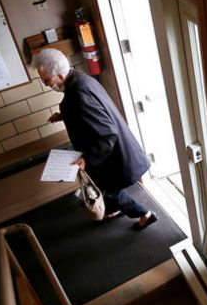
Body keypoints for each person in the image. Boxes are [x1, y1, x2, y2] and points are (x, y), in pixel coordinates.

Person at [33, 49, 158, 230]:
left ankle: (146, 214)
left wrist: (87, 159)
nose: (45, 85)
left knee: (107, 191)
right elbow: (90, 111)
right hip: (114, 150)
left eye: (46, 80)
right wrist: (63, 115)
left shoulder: (77, 94)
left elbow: (107, 133)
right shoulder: (81, 80)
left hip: (111, 152)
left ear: (60, 76)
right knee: (107, 188)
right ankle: (115, 210)